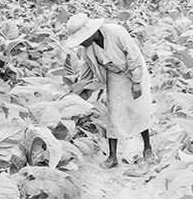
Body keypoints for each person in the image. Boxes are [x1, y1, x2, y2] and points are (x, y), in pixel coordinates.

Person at [65, 12, 153, 168]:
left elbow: (134, 55)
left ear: (91, 33)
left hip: (134, 71)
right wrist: (75, 96)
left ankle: (147, 149)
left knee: (139, 109)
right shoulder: (87, 50)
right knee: (114, 113)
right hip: (114, 76)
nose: (80, 43)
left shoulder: (115, 32)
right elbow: (85, 74)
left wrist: (137, 81)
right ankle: (112, 157)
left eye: (81, 39)